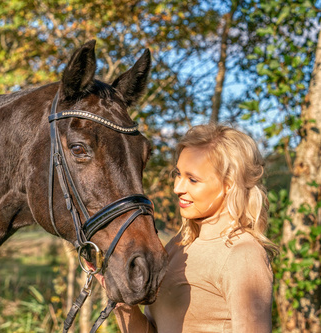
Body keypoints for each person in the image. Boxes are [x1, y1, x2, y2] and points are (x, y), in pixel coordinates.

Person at [101, 123, 278, 332]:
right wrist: (120, 301)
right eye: (178, 174)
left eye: (192, 180)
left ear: (229, 185)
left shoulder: (242, 254)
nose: (177, 188)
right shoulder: (180, 245)